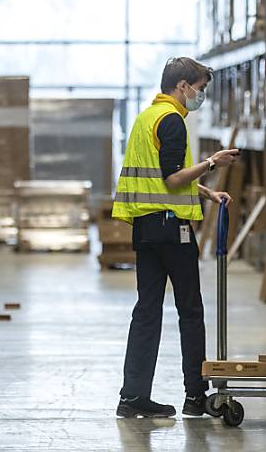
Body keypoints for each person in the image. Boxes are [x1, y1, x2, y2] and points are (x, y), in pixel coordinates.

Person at [112, 57, 240, 418]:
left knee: (147, 312)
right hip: (172, 230)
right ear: (182, 85)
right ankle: (196, 396)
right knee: (190, 310)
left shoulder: (146, 118)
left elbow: (163, 176)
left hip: (147, 228)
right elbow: (171, 180)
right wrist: (213, 164)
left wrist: (206, 192)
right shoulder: (172, 122)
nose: (201, 95)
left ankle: (133, 397)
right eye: (200, 88)